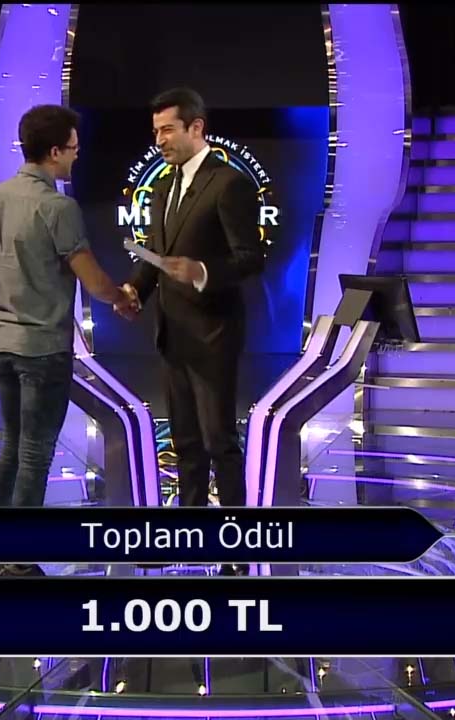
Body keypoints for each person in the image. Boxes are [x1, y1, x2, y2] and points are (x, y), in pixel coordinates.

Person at [0, 104, 130, 575]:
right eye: (74, 149)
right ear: (55, 150)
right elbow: (93, 280)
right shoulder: (59, 208)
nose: (77, 156)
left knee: (12, 446)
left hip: (0, 341)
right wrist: (122, 297)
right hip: (41, 347)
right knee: (34, 454)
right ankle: (19, 562)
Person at [117, 88, 264, 562]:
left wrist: (202, 271)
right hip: (172, 333)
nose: (159, 140)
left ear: (196, 127)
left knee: (220, 441)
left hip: (213, 334)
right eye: (155, 131)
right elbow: (157, 256)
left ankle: (236, 550)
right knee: (184, 443)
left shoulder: (229, 183)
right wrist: (135, 289)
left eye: (167, 130)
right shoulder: (163, 187)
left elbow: (251, 258)